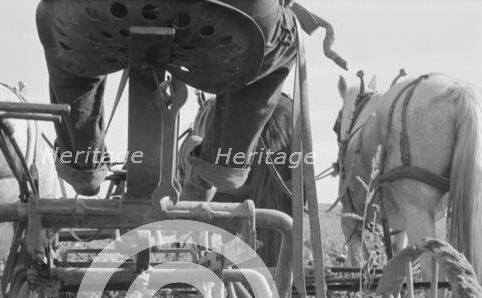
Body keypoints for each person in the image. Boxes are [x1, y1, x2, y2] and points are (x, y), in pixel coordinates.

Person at [36, 1, 337, 199]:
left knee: (69, 52)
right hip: (226, 14)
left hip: (97, 12)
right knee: (279, 41)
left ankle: (83, 163)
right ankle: (223, 164)